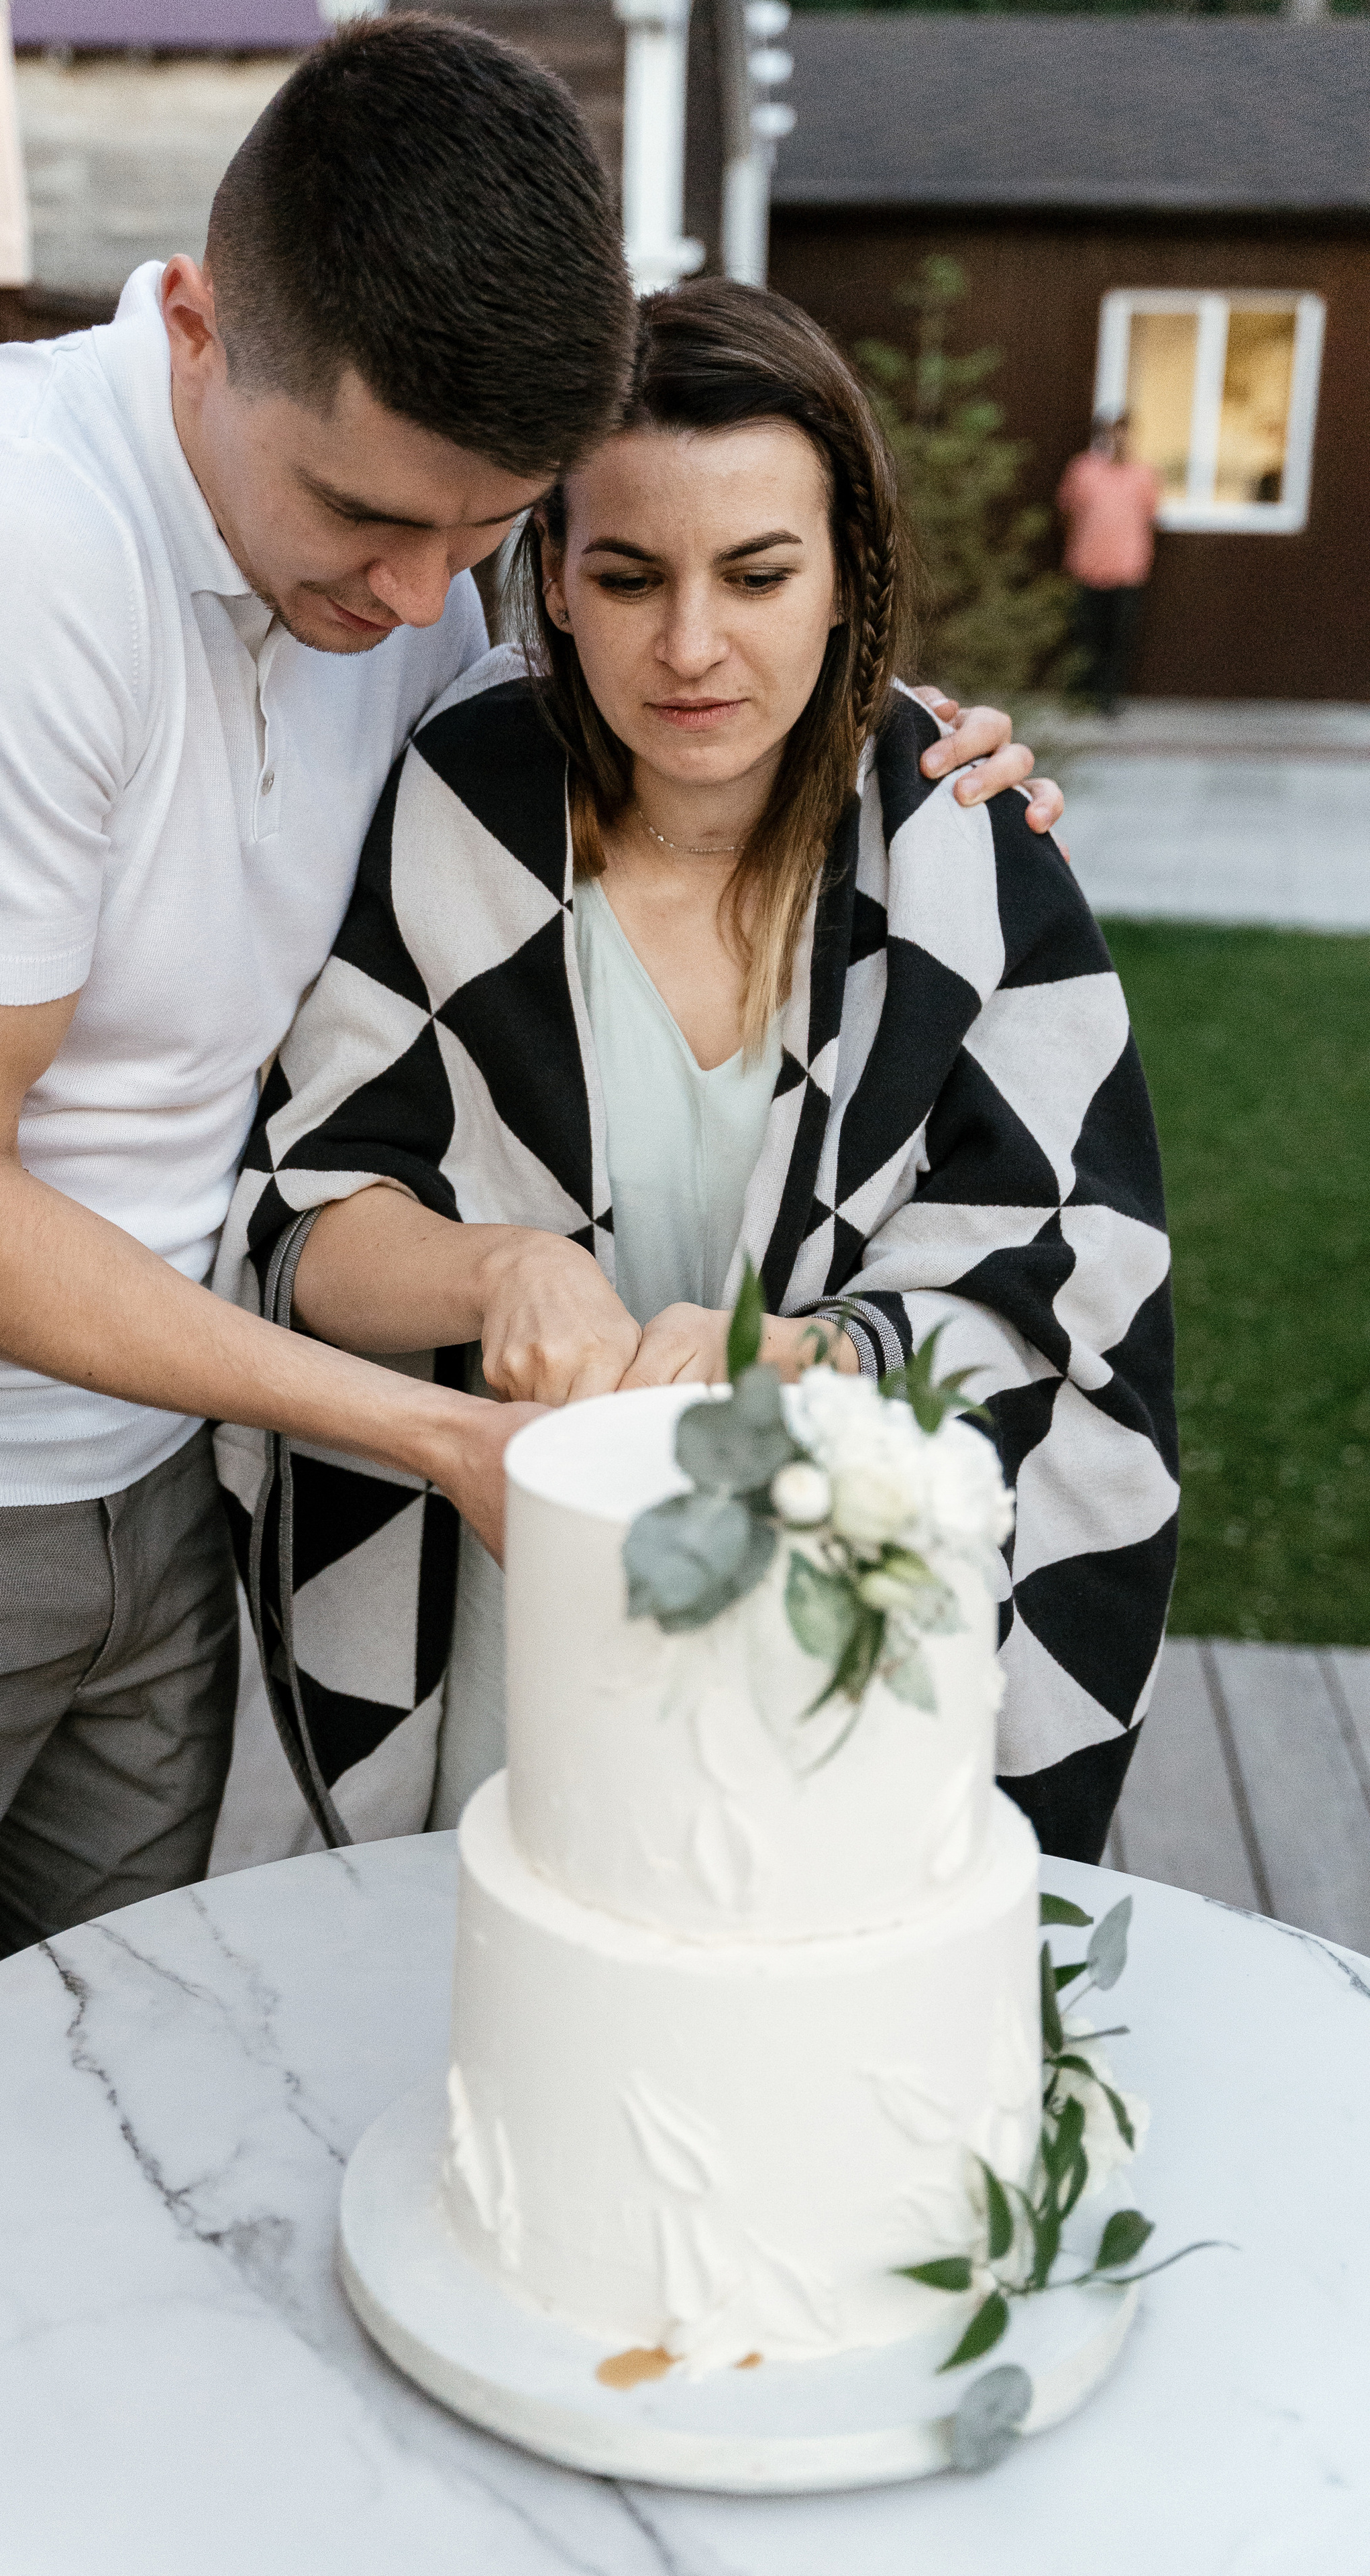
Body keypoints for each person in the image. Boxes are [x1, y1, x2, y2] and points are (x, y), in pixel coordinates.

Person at [0, 18, 1063, 2181]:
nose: (417, 605)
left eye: (481, 534)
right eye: (368, 519)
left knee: (119, 2147)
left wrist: (905, 746)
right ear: (199, 327)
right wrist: (431, 1422)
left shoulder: (383, 563)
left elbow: (636, 680)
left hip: (149, 1491)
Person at [219, 281, 1176, 1870]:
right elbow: (306, 1224)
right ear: (551, 579)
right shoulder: (457, 809)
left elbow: (1064, 1280)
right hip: (524, 1635)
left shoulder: (955, 850)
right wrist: (495, 1266)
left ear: (844, 577)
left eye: (754, 574)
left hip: (847, 1641)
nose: (687, 646)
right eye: (625, 573)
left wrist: (816, 1355)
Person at [1057, 413, 1163, 717]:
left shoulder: (1145, 474)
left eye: (1124, 433)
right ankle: (1081, 697)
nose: (1118, 440)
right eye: (1112, 433)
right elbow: (1067, 513)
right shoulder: (1082, 470)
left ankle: (1109, 698)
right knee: (1085, 635)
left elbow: (1151, 517)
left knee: (1119, 637)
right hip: (1086, 566)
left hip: (1127, 569)